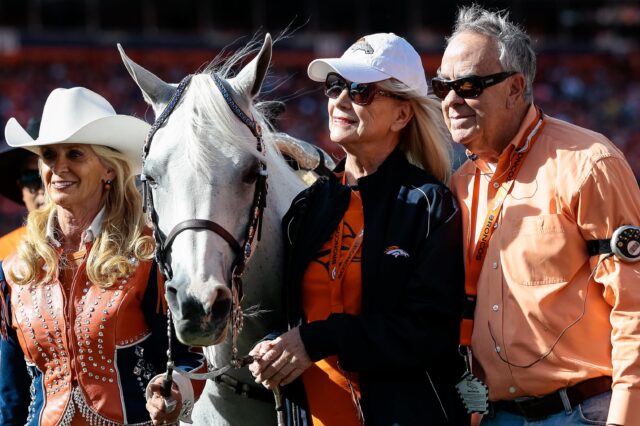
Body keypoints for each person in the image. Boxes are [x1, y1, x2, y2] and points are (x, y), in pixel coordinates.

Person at [435, 5, 640, 425]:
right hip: (496, 416)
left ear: (515, 88)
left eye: (469, 85)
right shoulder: (460, 184)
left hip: (583, 411)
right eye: (443, 86)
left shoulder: (588, 163)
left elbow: (634, 306)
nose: (453, 100)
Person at [249, 33, 468, 425]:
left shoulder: (430, 204)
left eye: (361, 91)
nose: (340, 100)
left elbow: (430, 334)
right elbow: (291, 319)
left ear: (402, 115)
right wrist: (274, 349)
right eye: (335, 87)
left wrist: (319, 339)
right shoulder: (308, 205)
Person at [0, 87, 206, 425]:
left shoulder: (148, 255)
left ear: (109, 169)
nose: (60, 167)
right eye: (49, 155)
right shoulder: (14, 269)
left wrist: (174, 388)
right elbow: (11, 395)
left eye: (75, 155)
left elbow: (190, 358)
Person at [0, 119, 45, 259]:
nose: (47, 187)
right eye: (32, 177)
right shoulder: (3, 253)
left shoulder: (108, 249)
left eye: (60, 176)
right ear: (21, 189)